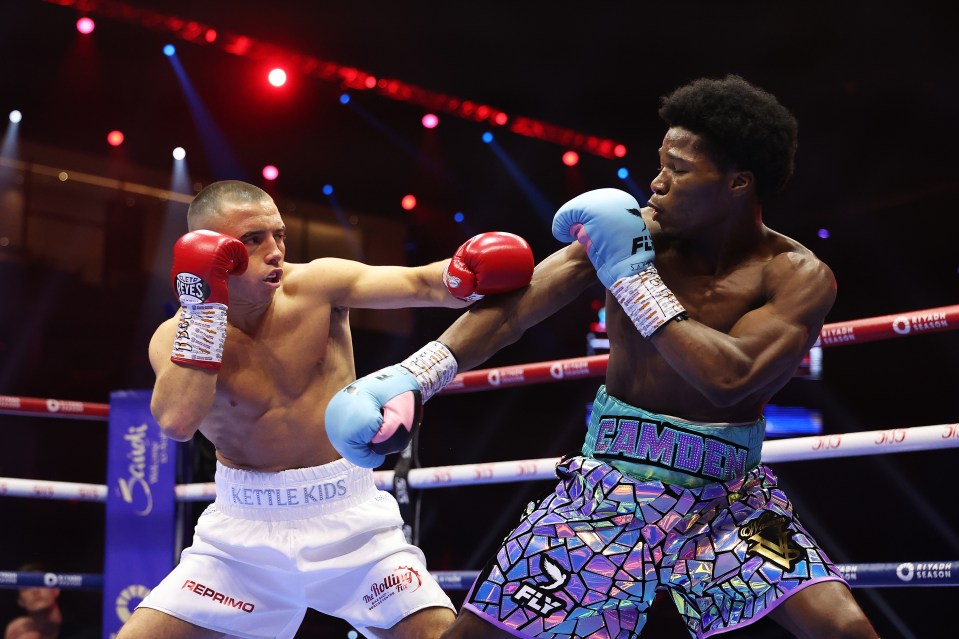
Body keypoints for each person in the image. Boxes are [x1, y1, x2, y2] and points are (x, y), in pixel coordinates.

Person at [326, 76, 880, 638]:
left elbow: (730, 379)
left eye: (680, 171)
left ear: (738, 182)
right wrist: (416, 375)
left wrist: (635, 282)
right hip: (605, 492)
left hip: (728, 501)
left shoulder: (796, 275)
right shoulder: (634, 233)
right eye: (660, 163)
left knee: (844, 629)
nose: (657, 183)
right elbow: (518, 309)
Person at [119, 180, 535, 639]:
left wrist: (466, 274)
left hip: (351, 519)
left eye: (278, 235)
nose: (275, 250)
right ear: (212, 249)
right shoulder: (175, 334)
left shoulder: (318, 284)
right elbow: (177, 422)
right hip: (240, 539)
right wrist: (204, 313)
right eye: (253, 240)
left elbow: (424, 283)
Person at [4, 564, 99, 639]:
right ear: (20, 600)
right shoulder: (18, 634)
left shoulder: (87, 632)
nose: (35, 591)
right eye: (26, 587)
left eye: (41, 583)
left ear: (56, 590)